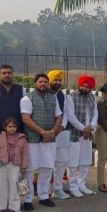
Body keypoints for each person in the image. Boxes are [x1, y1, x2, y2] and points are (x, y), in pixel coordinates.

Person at [20, 73, 63, 210]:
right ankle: (27, 199)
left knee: (47, 167)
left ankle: (44, 196)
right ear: (35, 83)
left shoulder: (53, 98)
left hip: (49, 139)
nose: (43, 84)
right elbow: (26, 118)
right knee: (29, 169)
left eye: (45, 82)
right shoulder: (27, 98)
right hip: (32, 139)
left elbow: (59, 117)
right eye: (40, 82)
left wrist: (52, 132)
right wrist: (42, 132)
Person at [0, 64, 24, 210]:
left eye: (9, 73)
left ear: (13, 74)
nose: (7, 75)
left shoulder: (20, 90)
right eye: (4, 73)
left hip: (15, 136)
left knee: (14, 169)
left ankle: (12, 200)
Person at [66, 75, 99, 196]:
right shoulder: (71, 97)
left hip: (88, 134)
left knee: (85, 161)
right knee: (73, 162)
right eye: (83, 86)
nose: (84, 88)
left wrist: (92, 127)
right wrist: (83, 128)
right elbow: (70, 116)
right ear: (79, 85)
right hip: (75, 134)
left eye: (87, 87)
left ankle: (82, 185)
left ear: (91, 88)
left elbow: (95, 114)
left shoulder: (92, 97)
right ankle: (73, 186)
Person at [0, 118, 29, 212]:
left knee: (14, 186)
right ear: (5, 127)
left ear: (17, 127)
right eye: (9, 126)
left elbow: (25, 154)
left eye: (14, 127)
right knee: (0, 186)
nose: (12, 129)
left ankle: (15, 207)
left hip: (15, 165)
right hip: (2, 165)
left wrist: (24, 166)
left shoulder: (22, 139)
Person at [48, 69, 71, 200]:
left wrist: (61, 127)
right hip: (46, 132)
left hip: (61, 132)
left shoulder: (63, 96)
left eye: (59, 80)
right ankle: (45, 189)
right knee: (47, 162)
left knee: (61, 161)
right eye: (55, 80)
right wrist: (51, 131)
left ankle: (58, 188)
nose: (57, 82)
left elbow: (66, 113)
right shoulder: (45, 94)